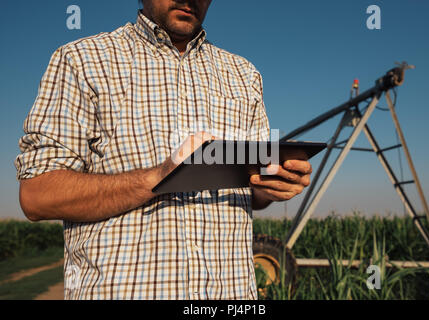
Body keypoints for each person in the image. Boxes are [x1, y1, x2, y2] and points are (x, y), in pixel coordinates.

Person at [15, 0, 312, 300]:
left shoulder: (245, 75)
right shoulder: (82, 60)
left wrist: (274, 183)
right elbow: (37, 195)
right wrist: (161, 177)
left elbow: (251, 193)